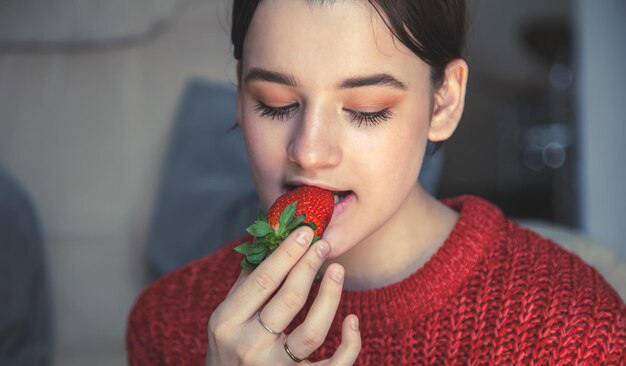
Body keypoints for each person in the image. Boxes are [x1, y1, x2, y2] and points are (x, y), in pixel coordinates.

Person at [126, 0, 626, 364]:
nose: (309, 151)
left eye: (366, 111)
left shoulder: (574, 331)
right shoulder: (168, 324)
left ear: (444, 102)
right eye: (275, 103)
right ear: (238, 95)